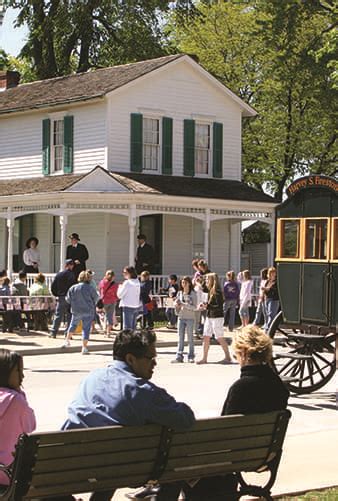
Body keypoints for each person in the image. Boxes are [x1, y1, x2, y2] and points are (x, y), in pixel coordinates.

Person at [62, 329, 195, 501]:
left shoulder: (91, 378)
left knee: (112, 456)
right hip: (125, 468)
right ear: (131, 359)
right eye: (150, 358)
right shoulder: (141, 391)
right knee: (176, 458)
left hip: (68, 467)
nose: (154, 363)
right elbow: (186, 419)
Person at [186, 326, 289, 500]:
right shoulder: (279, 387)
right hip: (264, 456)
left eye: (236, 354)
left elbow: (223, 432)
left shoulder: (241, 388)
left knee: (182, 468)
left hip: (234, 456)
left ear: (243, 353)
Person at [0, 349, 36, 487]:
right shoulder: (15, 400)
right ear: (4, 372)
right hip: (8, 474)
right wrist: (21, 395)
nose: (22, 375)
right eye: (18, 370)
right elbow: (30, 426)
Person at [197, 273, 232, 365]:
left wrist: (207, 306)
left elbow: (219, 306)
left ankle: (228, 357)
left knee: (219, 337)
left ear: (212, 280)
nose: (207, 281)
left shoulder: (217, 292)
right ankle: (204, 358)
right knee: (206, 336)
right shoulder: (209, 291)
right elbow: (203, 288)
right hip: (209, 316)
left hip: (217, 317)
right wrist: (205, 306)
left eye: (208, 279)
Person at [62, 270, 99, 354]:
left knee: (73, 325)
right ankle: (84, 347)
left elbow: (67, 299)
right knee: (86, 328)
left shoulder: (73, 288)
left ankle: (67, 341)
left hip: (76, 310)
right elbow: (96, 298)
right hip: (88, 310)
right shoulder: (90, 288)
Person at [172, 276, 197, 363]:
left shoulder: (193, 293)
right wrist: (176, 304)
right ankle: (179, 356)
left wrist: (184, 304)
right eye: (182, 283)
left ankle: (191, 356)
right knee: (180, 338)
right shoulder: (180, 293)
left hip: (190, 318)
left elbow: (194, 307)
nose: (184, 284)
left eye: (185, 283)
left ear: (189, 283)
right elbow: (177, 303)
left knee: (190, 338)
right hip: (181, 317)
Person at [49, 259, 76, 338]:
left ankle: (53, 332)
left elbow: (53, 286)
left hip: (61, 297)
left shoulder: (59, 275)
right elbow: (73, 287)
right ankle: (68, 333)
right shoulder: (72, 275)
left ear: (65, 265)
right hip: (70, 297)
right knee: (70, 316)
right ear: (71, 266)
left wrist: (56, 294)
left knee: (58, 315)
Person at [98, 270, 119, 337]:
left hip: (104, 301)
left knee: (102, 315)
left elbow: (99, 289)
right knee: (109, 316)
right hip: (112, 301)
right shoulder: (115, 285)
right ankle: (108, 332)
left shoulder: (102, 282)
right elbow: (116, 294)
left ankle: (104, 328)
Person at [262, 267, 280, 333]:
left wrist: (268, 289)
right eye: (271, 273)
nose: (272, 274)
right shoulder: (268, 281)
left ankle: (267, 329)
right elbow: (266, 290)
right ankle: (269, 328)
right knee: (267, 314)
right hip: (267, 298)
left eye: (273, 272)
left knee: (271, 314)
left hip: (274, 299)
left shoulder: (276, 281)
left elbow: (276, 290)